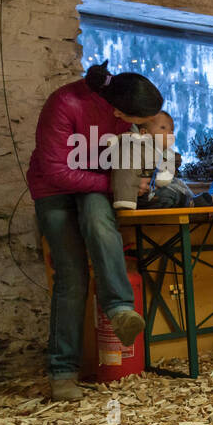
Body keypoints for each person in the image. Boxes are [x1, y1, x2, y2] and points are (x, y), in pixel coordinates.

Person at [27, 61, 162, 401]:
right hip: (53, 190)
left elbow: (132, 158)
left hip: (96, 187)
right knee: (71, 278)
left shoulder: (122, 117)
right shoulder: (64, 104)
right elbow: (55, 171)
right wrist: (114, 184)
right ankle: (62, 375)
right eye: (137, 120)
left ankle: (118, 309)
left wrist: (139, 179)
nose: (140, 126)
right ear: (117, 110)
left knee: (100, 225)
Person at [112, 110, 193, 210]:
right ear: (144, 133)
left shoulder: (163, 152)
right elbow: (126, 172)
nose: (170, 133)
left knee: (180, 186)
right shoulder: (138, 147)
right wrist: (126, 198)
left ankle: (194, 201)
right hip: (138, 195)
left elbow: (165, 175)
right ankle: (193, 202)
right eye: (163, 128)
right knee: (169, 195)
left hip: (153, 189)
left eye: (172, 130)